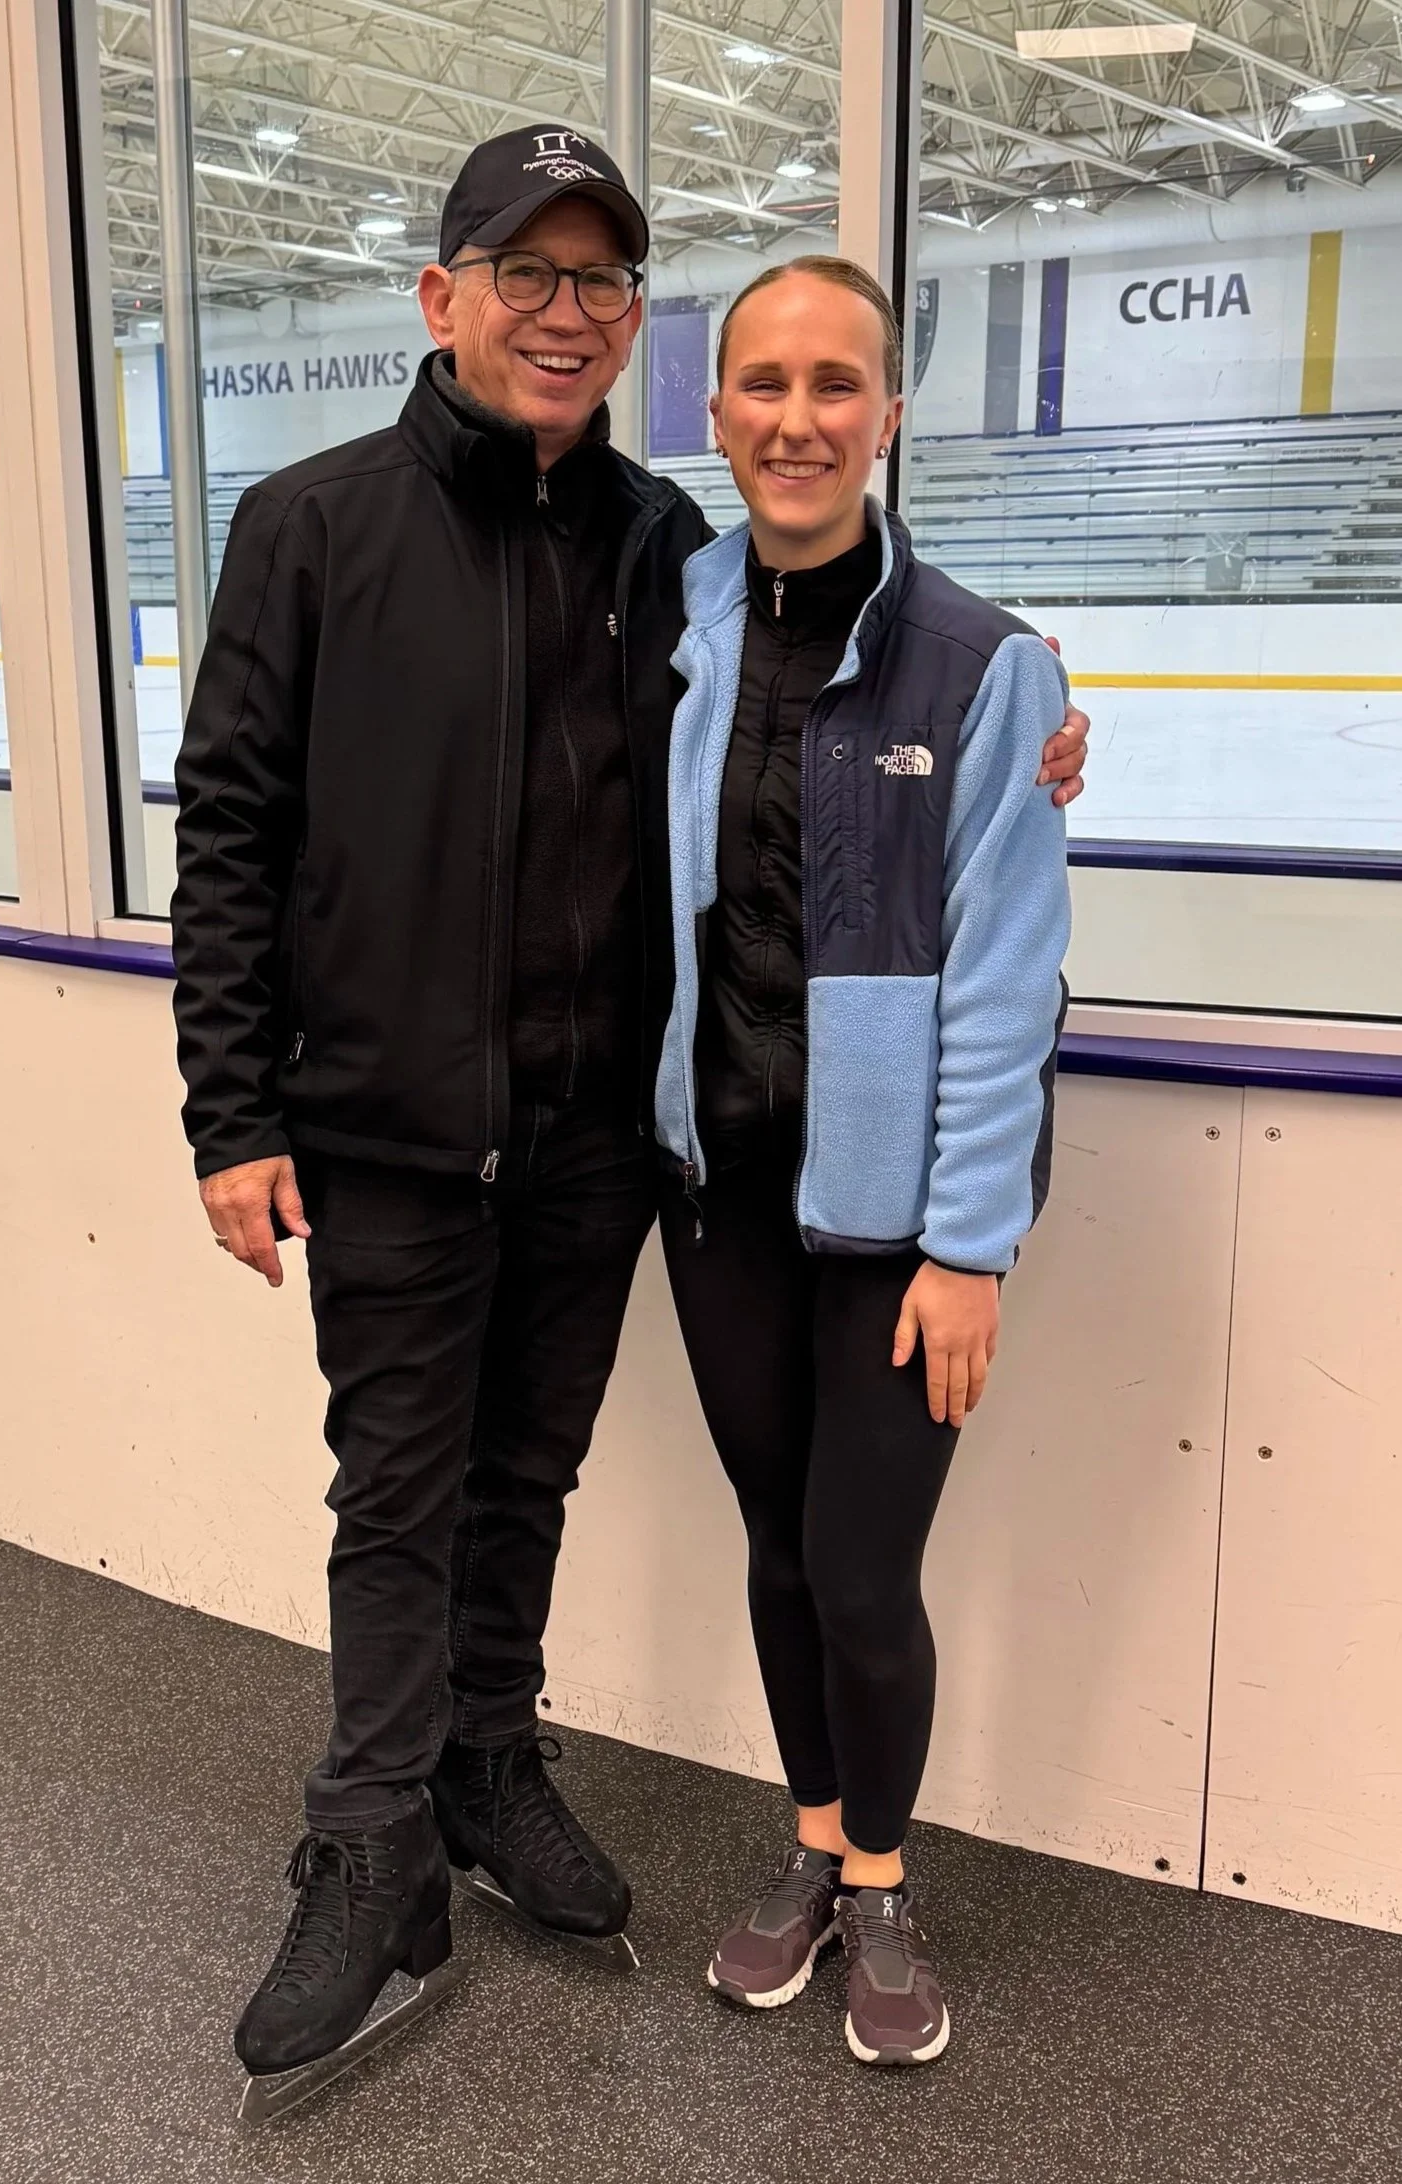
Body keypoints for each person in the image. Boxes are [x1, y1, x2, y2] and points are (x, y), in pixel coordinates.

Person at [171, 125, 1090, 2083]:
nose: (564, 307)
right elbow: (234, 834)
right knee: (398, 1497)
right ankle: (366, 1851)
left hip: (601, 1150)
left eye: (600, 280)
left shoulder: (656, 549)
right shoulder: (307, 529)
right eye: (528, 270)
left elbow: (881, 748)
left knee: (533, 1483)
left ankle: (492, 1766)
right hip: (397, 1131)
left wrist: (1034, 735)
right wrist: (230, 1108)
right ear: (444, 298)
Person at [654, 256, 1072, 2068]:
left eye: (836, 384)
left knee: (858, 1564)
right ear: (719, 411)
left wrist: (969, 1243)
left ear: (886, 415)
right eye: (763, 383)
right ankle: (811, 1851)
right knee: (770, 1540)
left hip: (896, 1218)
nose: (797, 417)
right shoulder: (667, 615)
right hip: (720, 1189)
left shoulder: (982, 666)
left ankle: (885, 1886)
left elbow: (1002, 975)